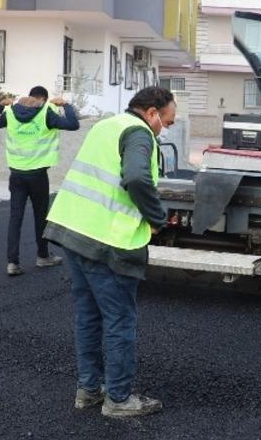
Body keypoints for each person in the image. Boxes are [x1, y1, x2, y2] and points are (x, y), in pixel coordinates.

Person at [44, 86, 174, 418]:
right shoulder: (139, 134)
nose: (165, 129)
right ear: (151, 113)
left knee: (88, 316)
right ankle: (118, 398)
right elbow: (135, 178)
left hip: (74, 230)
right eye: (166, 122)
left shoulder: (106, 125)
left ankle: (89, 390)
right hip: (107, 241)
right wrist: (157, 219)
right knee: (119, 319)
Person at [0, 86, 80, 276]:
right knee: (40, 217)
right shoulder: (46, 112)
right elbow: (73, 124)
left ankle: (12, 263)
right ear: (44, 99)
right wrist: (66, 104)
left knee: (15, 217)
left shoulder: (11, 112)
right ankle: (42, 256)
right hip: (37, 175)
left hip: (17, 175)